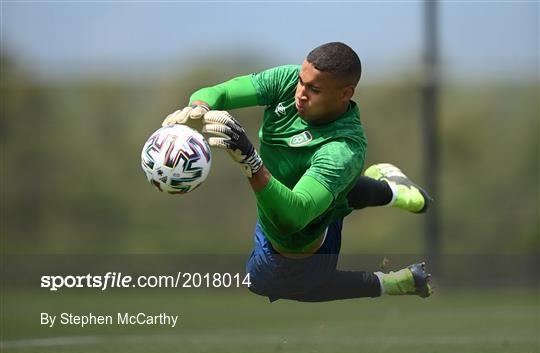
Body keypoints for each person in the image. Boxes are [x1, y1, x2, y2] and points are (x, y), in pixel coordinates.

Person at [162, 42, 433, 302]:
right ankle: (397, 191)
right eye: (302, 82)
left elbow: (293, 217)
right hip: (296, 197)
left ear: (345, 94)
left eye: (313, 89)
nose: (300, 93)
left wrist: (251, 162)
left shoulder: (344, 148)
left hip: (303, 242)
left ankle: (392, 283)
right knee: (337, 188)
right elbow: (218, 91)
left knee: (266, 280)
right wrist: (199, 108)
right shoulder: (289, 81)